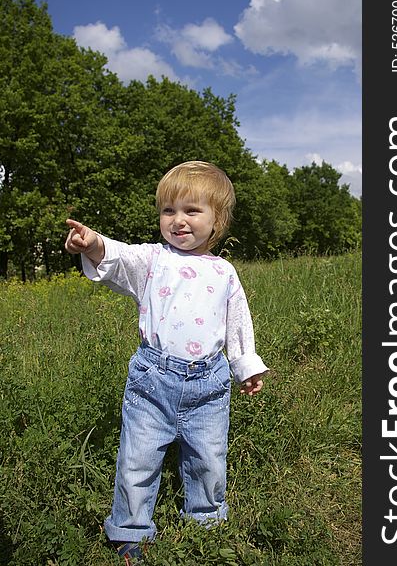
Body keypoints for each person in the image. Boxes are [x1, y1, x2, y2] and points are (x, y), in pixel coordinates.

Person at [64, 161, 268, 563]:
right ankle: (131, 531)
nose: (178, 220)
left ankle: (206, 525)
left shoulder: (224, 272)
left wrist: (245, 364)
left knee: (208, 460)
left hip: (209, 385)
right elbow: (117, 257)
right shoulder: (153, 260)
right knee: (137, 458)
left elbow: (237, 321)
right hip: (152, 381)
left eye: (192, 211)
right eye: (168, 210)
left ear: (217, 220)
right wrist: (92, 244)